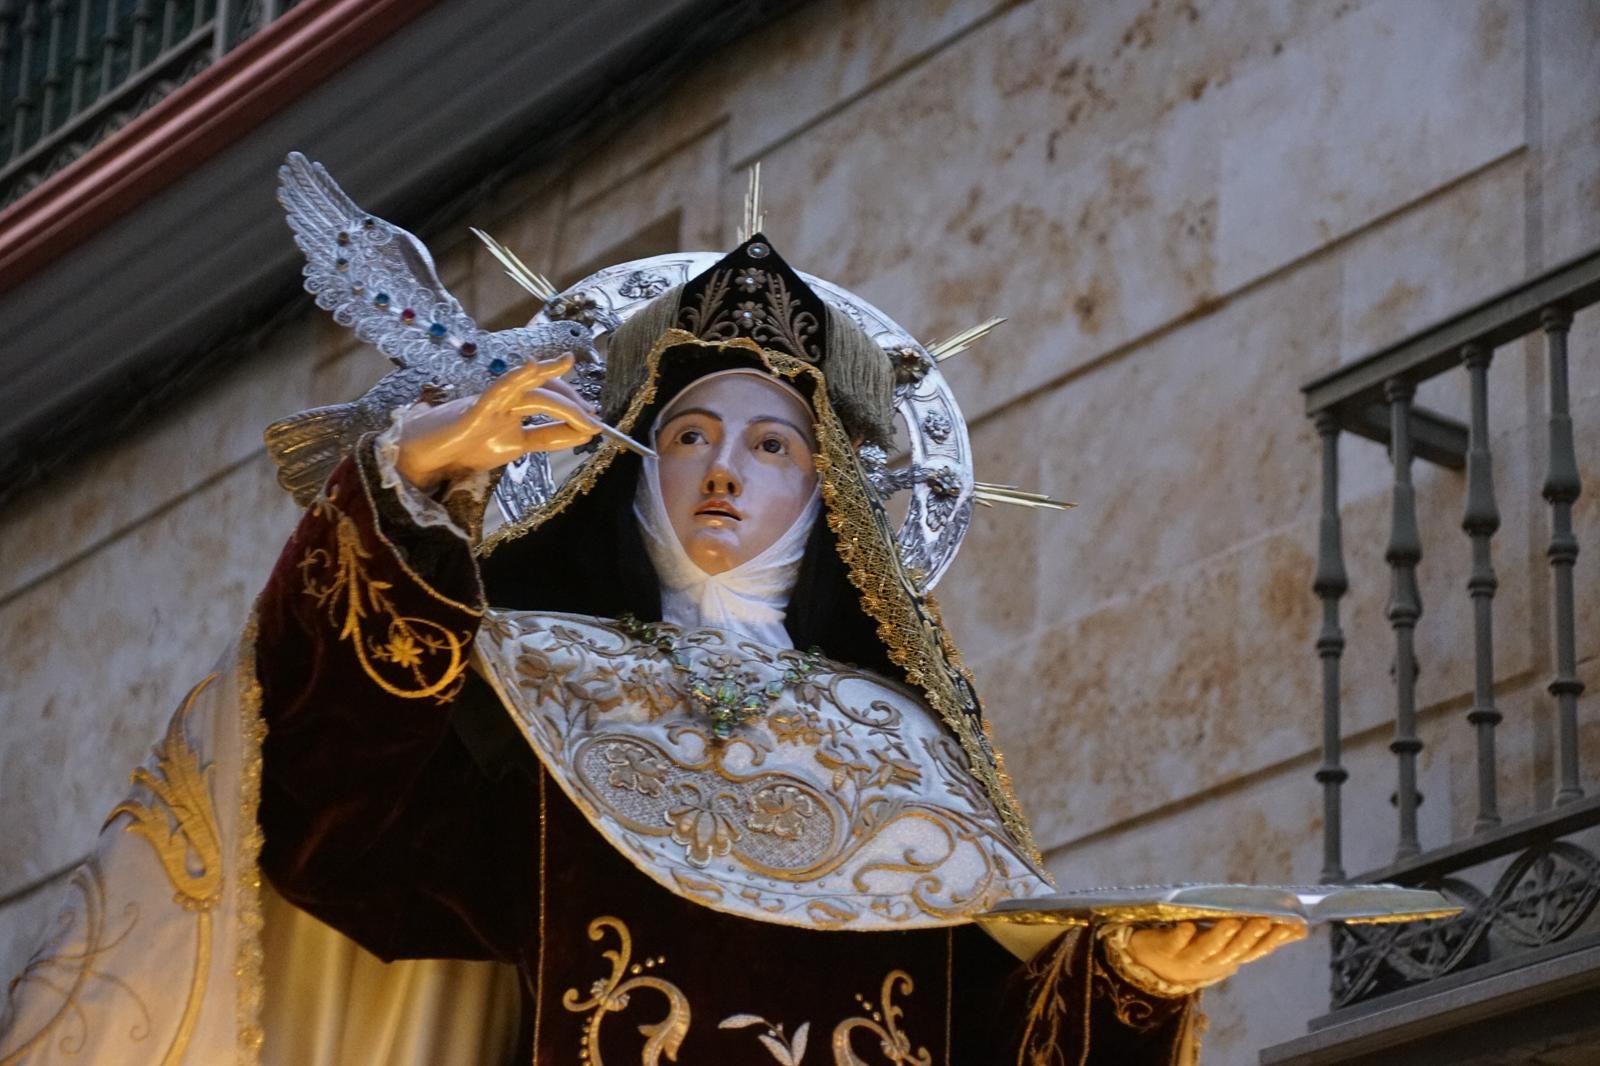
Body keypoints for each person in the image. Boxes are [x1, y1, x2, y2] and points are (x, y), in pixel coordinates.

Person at [0, 233, 1300, 1065]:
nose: (724, 469)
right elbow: (328, 823)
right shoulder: (548, 706)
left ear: (830, 494)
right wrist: (414, 481)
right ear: (632, 474)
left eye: (772, 442)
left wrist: (1130, 978)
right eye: (687, 433)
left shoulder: (918, 769)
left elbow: (996, 1042)